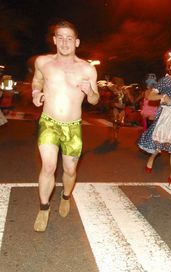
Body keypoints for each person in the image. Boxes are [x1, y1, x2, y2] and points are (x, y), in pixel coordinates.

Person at [31, 20, 99, 232]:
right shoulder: (43, 62)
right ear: (54, 40)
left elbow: (95, 99)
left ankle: (66, 196)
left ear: (76, 42)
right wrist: (35, 93)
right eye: (60, 37)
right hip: (49, 122)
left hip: (73, 126)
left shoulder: (87, 69)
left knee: (69, 170)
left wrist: (90, 91)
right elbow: (37, 81)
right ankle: (43, 209)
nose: (65, 41)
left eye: (69, 38)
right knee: (49, 166)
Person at [138, 51, 171, 189]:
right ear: (170, 67)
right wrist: (162, 97)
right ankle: (151, 158)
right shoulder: (165, 80)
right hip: (165, 115)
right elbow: (150, 96)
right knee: (160, 146)